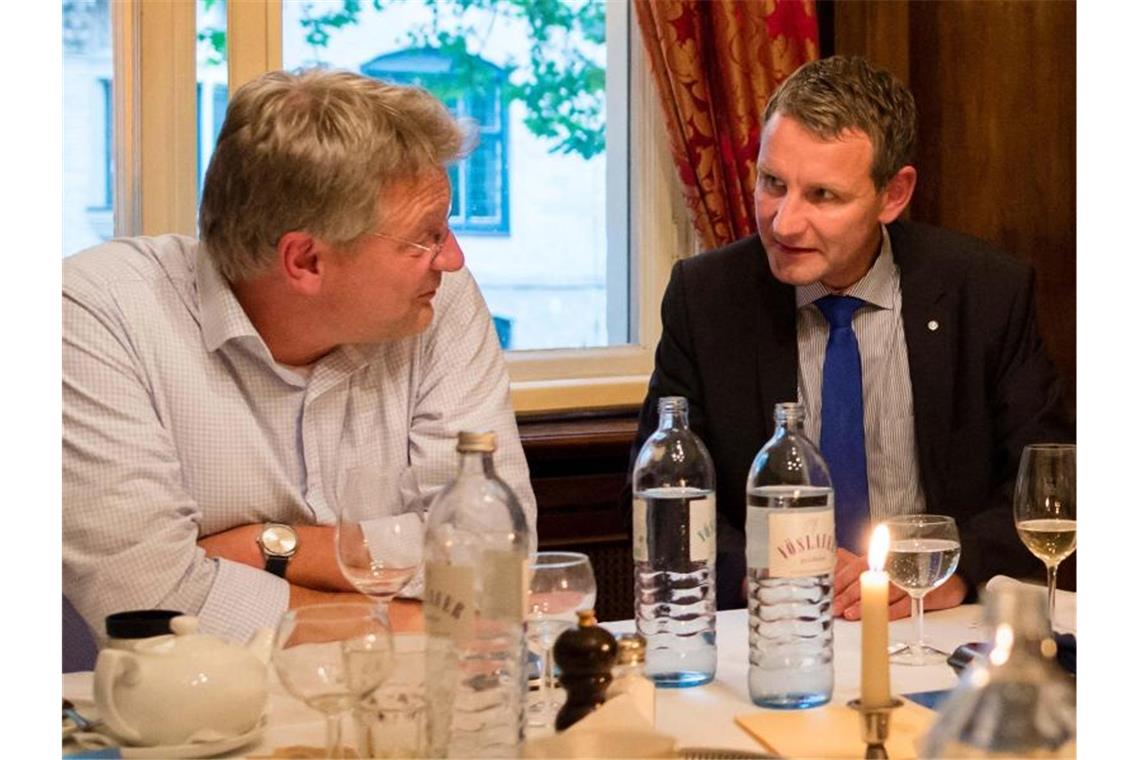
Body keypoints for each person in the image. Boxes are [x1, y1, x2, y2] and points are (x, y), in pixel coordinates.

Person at [63, 69, 536, 645]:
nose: (453, 259)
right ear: (306, 261)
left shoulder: (438, 303)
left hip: (398, 710)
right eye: (427, 235)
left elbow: (495, 554)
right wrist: (420, 621)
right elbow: (152, 608)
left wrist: (269, 547)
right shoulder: (95, 314)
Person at [632, 55, 1072, 617]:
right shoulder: (708, 296)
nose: (784, 223)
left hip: (934, 621)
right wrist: (766, 573)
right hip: (774, 624)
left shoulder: (983, 291)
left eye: (823, 196)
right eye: (772, 183)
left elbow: (1049, 485)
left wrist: (955, 570)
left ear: (893, 195)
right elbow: (661, 496)